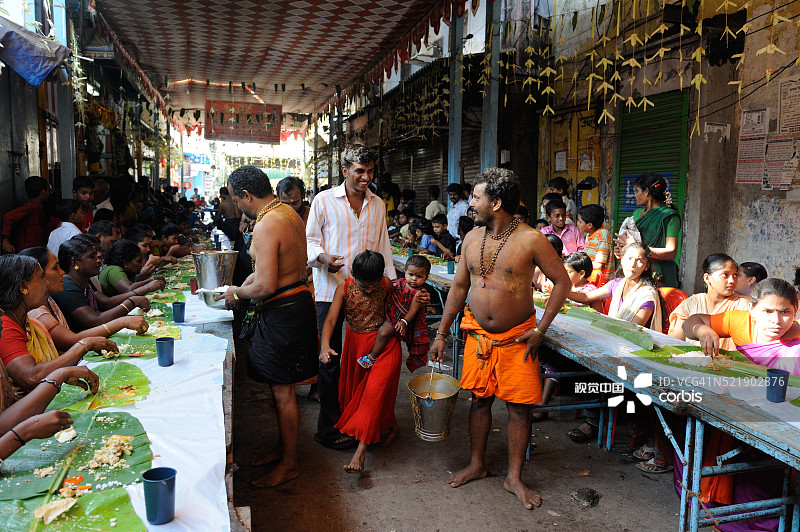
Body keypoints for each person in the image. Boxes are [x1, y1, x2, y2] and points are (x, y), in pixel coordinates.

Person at [429, 168, 571, 510]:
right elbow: (460, 287)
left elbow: (563, 284)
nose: (470, 203)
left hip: (518, 339)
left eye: (476, 197)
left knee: (519, 410)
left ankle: (514, 477)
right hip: (478, 338)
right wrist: (441, 333)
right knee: (479, 401)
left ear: (496, 202)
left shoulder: (530, 239)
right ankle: (477, 464)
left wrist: (540, 330)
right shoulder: (472, 238)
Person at [217, 165, 318, 488]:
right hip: (295, 301)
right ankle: (283, 449)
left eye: (236, 199)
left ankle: (290, 463)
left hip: (284, 310)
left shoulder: (267, 224)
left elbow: (264, 285)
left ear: (246, 195)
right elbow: (267, 270)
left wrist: (235, 292)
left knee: (283, 390)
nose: (236, 206)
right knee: (280, 388)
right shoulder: (288, 213)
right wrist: (245, 283)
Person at [682, 278, 798, 530]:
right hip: (738, 413)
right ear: (752, 309)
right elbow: (691, 322)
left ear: (795, 311)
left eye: (785, 312)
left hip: (783, 425)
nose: (776, 321)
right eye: (767, 311)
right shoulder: (740, 322)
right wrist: (703, 330)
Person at [306, 144, 396, 451]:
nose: (366, 177)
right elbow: (309, 241)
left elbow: (383, 247)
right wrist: (322, 258)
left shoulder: (378, 204)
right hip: (331, 287)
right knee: (329, 358)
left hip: (369, 293)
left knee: (367, 357)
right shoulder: (324, 201)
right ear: (345, 171)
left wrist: (393, 288)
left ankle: (359, 419)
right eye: (360, 170)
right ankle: (328, 428)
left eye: (370, 171)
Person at [564, 242, 664, 443]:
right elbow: (585, 297)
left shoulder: (647, 294)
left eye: (639, 261)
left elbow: (634, 330)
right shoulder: (616, 284)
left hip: (636, 350)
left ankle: (592, 420)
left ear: (646, 266)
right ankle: (596, 414)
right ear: (621, 258)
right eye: (629, 258)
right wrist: (561, 289)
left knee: (595, 368)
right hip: (615, 343)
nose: (633, 264)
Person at [318, 251, 404, 473]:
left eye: (371, 287)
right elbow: (330, 320)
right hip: (356, 349)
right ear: (353, 274)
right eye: (363, 286)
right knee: (364, 395)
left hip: (385, 347)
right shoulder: (344, 289)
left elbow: (403, 299)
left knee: (373, 394)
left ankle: (360, 453)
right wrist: (325, 345)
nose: (367, 291)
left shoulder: (386, 283)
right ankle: (392, 426)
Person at [0, 254, 115, 391]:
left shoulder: (30, 323)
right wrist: (84, 345)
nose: (46, 283)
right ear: (24, 286)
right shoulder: (5, 325)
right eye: (41, 277)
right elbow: (31, 376)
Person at [20, 247, 148, 352]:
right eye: (55, 268)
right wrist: (123, 320)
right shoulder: (37, 310)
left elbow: (101, 309)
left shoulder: (51, 300)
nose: (61, 272)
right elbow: (72, 339)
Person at [51, 236, 150, 332]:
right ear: (75, 262)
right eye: (92, 256)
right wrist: (131, 302)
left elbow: (99, 311)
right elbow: (95, 320)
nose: (98, 259)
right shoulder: (67, 286)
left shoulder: (85, 282)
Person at [667, 253, 749, 350]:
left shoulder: (742, 305)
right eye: (725, 275)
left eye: (735, 275)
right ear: (707, 278)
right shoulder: (691, 303)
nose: (732, 280)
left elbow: (738, 349)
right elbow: (676, 343)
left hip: (725, 363)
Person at [364, 254, 431, 372]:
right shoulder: (399, 283)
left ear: (426, 278)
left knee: (383, 332)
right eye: (411, 274)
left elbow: (413, 310)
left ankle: (371, 357)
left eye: (419, 276)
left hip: (401, 319)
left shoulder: (419, 293)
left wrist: (404, 322)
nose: (414, 279)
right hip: (391, 312)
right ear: (405, 272)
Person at [616, 173, 681, 287]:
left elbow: (671, 253)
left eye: (636, 191)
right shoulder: (636, 215)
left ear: (646, 191)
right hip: (636, 271)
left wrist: (637, 246)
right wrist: (623, 250)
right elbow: (631, 245)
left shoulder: (669, 217)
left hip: (659, 276)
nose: (635, 195)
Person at [2, 176, 58, 254]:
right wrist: (6, 240)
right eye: (48, 191)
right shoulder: (31, 207)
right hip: (28, 248)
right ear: (43, 192)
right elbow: (8, 217)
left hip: (34, 247)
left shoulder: (39, 207)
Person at [98, 240, 166, 297]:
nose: (142, 265)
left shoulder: (126, 272)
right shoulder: (114, 269)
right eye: (138, 261)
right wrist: (152, 280)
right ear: (125, 263)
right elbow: (128, 289)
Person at [576, 204, 615, 286]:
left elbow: (599, 264)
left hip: (602, 283)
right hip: (592, 280)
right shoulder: (589, 235)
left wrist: (578, 265)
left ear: (589, 225)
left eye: (580, 221)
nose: (578, 223)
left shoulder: (603, 235)